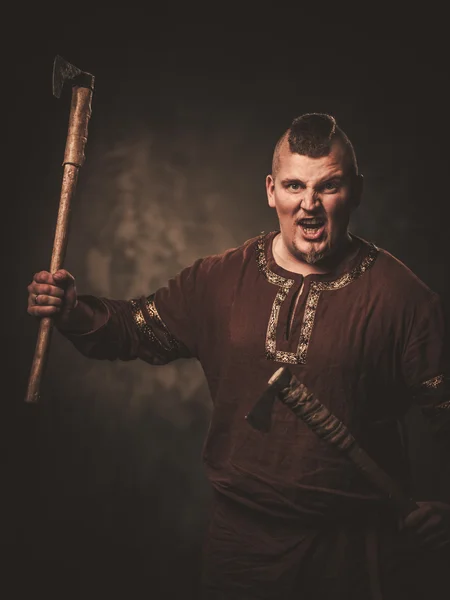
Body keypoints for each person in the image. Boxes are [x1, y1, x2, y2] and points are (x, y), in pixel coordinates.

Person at [27, 113, 450, 599]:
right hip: (242, 549)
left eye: (327, 187)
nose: (308, 205)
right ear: (271, 190)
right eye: (294, 186)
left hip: (357, 550)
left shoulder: (403, 298)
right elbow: (136, 329)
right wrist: (74, 311)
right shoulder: (220, 279)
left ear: (355, 190)